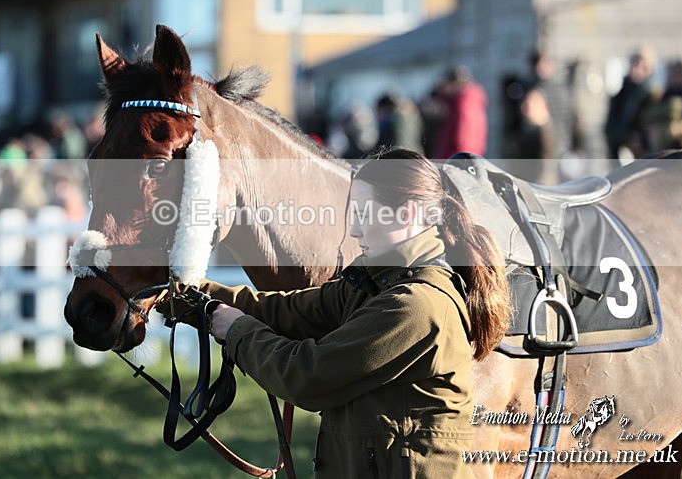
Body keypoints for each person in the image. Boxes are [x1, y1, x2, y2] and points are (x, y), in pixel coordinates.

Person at [184, 148, 510, 478]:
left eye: (364, 214)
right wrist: (182, 292)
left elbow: (306, 375)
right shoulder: (375, 280)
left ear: (407, 213)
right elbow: (282, 311)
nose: (354, 230)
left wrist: (235, 328)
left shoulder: (417, 305)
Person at [604, 46, 659, 161]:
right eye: (635, 63)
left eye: (643, 66)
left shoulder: (653, 93)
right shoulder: (622, 90)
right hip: (620, 148)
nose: (638, 69)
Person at [431, 66, 489, 160]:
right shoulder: (473, 100)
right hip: (470, 155)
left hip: (457, 159)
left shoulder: (462, 104)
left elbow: (462, 138)